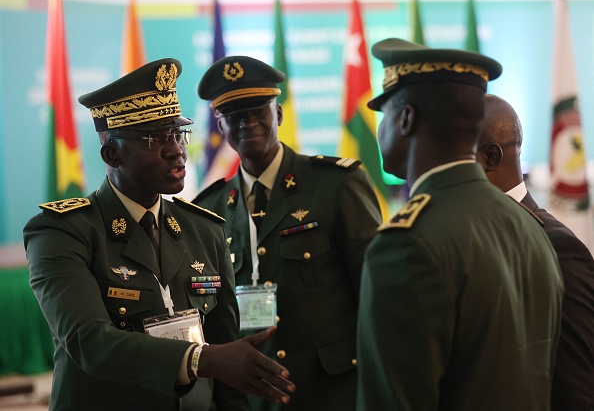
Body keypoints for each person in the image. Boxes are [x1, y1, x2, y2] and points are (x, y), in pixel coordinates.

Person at [23, 58, 295, 411]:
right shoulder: (63, 231)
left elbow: (228, 363)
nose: (176, 150)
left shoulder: (205, 228)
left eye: (178, 134)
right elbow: (89, 341)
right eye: (155, 138)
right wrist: (201, 360)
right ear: (112, 153)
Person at [356, 38, 564, 411]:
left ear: (406, 120)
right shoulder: (530, 228)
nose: (380, 128)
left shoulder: (405, 243)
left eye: (383, 114)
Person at [193, 55, 382, 411]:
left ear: (278, 114)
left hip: (332, 390)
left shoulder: (335, 184)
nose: (247, 123)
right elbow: (213, 314)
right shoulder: (210, 208)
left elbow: (375, 293)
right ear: (220, 126)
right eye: (234, 116)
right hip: (251, 395)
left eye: (257, 111)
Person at [477, 94, 594, 411]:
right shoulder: (476, 240)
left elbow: (577, 389)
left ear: (490, 157)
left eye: (458, 161)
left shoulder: (558, 247)